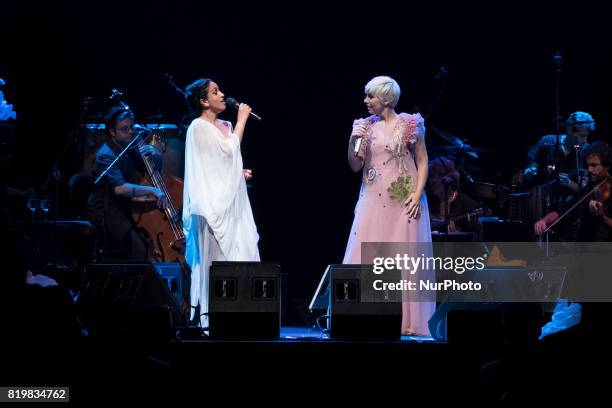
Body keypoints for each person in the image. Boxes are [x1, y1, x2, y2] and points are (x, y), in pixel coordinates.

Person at [343, 76, 435, 336]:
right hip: (373, 198)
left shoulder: (410, 123)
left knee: (403, 260)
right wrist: (353, 141)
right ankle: (365, 317)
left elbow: (423, 159)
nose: (365, 101)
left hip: (404, 198)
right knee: (369, 256)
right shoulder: (365, 127)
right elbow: (355, 165)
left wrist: (418, 194)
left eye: (370, 96)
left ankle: (407, 321)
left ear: (384, 98)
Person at [182, 78, 259, 328]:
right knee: (218, 265)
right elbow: (224, 155)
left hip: (231, 206)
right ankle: (215, 321)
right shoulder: (198, 127)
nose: (222, 94)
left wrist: (237, 174)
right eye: (215, 92)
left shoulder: (222, 126)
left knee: (239, 257)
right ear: (204, 100)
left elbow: (221, 165)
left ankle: (240, 318)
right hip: (212, 210)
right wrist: (242, 121)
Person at [88, 106, 167, 260]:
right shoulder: (106, 155)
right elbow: (120, 189)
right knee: (141, 253)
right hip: (107, 212)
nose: (130, 132)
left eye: (131, 127)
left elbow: (150, 172)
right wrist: (152, 190)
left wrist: (155, 155)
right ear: (112, 131)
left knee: (146, 249)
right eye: (124, 129)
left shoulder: (128, 147)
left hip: (127, 208)